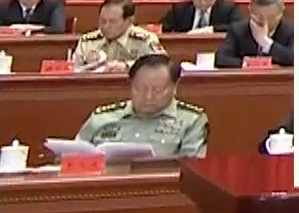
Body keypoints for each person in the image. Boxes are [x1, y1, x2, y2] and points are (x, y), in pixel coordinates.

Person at [74, 54, 207, 158]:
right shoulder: (102, 118)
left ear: (174, 87)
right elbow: (73, 156)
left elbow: (191, 170)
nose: (148, 97)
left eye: (157, 90)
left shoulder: (191, 121)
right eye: (140, 89)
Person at [73, 0, 166, 73]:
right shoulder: (87, 41)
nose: (105, 26)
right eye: (103, 21)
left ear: (129, 21)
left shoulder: (145, 40)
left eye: (112, 21)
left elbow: (161, 66)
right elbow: (73, 69)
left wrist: (127, 67)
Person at [216, 0, 295, 67]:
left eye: (271, 17)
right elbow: (221, 59)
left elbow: (295, 58)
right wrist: (250, 64)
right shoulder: (237, 30)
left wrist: (266, 43)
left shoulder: (291, 31)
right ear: (250, 10)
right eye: (259, 17)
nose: (265, 22)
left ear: (281, 12)